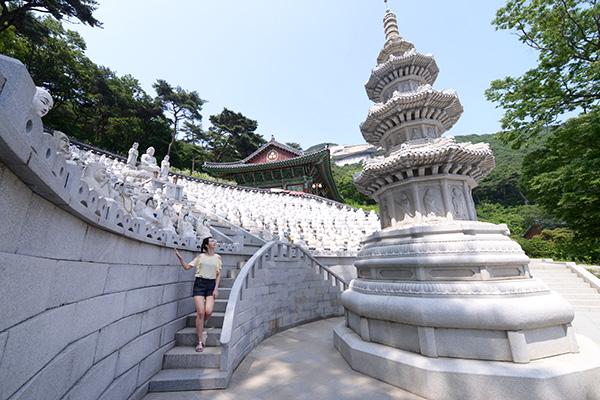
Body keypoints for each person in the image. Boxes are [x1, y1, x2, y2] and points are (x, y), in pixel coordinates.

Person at [174, 237, 222, 353]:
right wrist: (180, 257)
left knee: (208, 311)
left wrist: (216, 289)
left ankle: (199, 325)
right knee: (201, 312)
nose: (214, 242)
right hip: (199, 284)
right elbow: (187, 267)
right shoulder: (201, 257)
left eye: (214, 241)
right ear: (206, 245)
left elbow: (218, 274)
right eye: (211, 241)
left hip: (211, 285)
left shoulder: (218, 257)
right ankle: (200, 340)